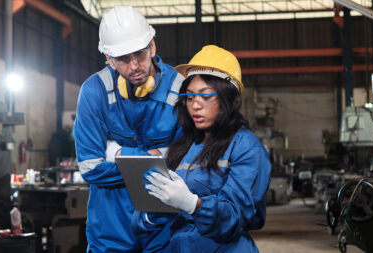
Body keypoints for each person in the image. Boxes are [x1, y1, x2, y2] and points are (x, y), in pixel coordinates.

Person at [132, 45, 272, 252]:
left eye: (205, 96)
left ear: (228, 98)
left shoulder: (245, 146)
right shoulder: (182, 148)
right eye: (189, 96)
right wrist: (153, 211)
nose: (195, 105)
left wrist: (193, 204)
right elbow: (141, 224)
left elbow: (237, 217)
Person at [73, 5, 184, 253]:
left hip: (164, 227)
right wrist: (155, 158)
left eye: (140, 54)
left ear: (152, 46)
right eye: (123, 59)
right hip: (110, 230)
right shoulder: (95, 92)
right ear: (109, 60)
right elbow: (91, 168)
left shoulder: (180, 90)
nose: (134, 66)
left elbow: (186, 164)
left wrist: (115, 152)